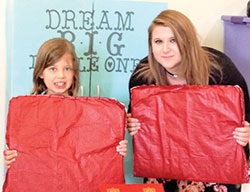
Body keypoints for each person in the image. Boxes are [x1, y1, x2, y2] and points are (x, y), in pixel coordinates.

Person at [127, 9, 250, 192]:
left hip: (215, 169)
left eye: (173, 40)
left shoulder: (219, 69)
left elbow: (246, 113)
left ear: (188, 41)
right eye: (158, 41)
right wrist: (132, 123)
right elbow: (135, 116)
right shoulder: (144, 76)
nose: (165, 49)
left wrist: (246, 132)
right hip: (164, 166)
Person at [4, 38, 127, 168]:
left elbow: (93, 151)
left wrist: (115, 148)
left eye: (67, 68)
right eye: (53, 69)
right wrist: (13, 159)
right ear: (41, 72)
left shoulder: (85, 114)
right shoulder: (28, 113)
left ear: (74, 72)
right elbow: (25, 152)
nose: (61, 75)